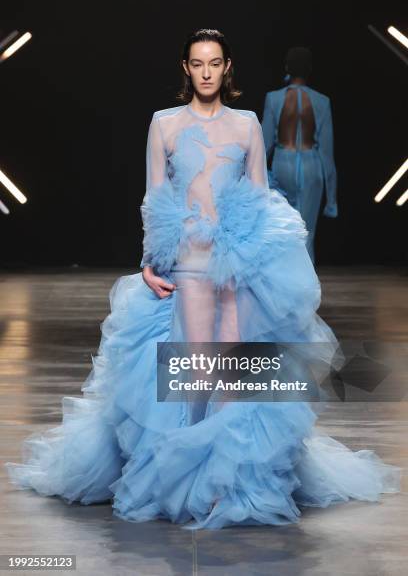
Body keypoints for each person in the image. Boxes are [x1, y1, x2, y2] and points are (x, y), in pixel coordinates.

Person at [5, 29, 401, 530]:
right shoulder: (164, 124)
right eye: (198, 63)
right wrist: (150, 260)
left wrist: (262, 263)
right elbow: (154, 197)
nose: (207, 72)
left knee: (232, 363)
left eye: (215, 62)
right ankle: (188, 478)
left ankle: (225, 481)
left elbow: (261, 199)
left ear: (227, 67)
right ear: (186, 69)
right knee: (195, 360)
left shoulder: (248, 124)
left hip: (234, 264)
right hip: (187, 261)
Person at [261, 46, 338, 265]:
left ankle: (285, 291)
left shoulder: (273, 99)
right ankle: (305, 293)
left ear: (287, 67)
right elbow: (327, 153)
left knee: (284, 233)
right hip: (311, 166)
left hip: (282, 165)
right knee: (307, 233)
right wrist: (331, 199)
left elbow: (264, 144)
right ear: (310, 70)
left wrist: (250, 178)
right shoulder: (322, 101)